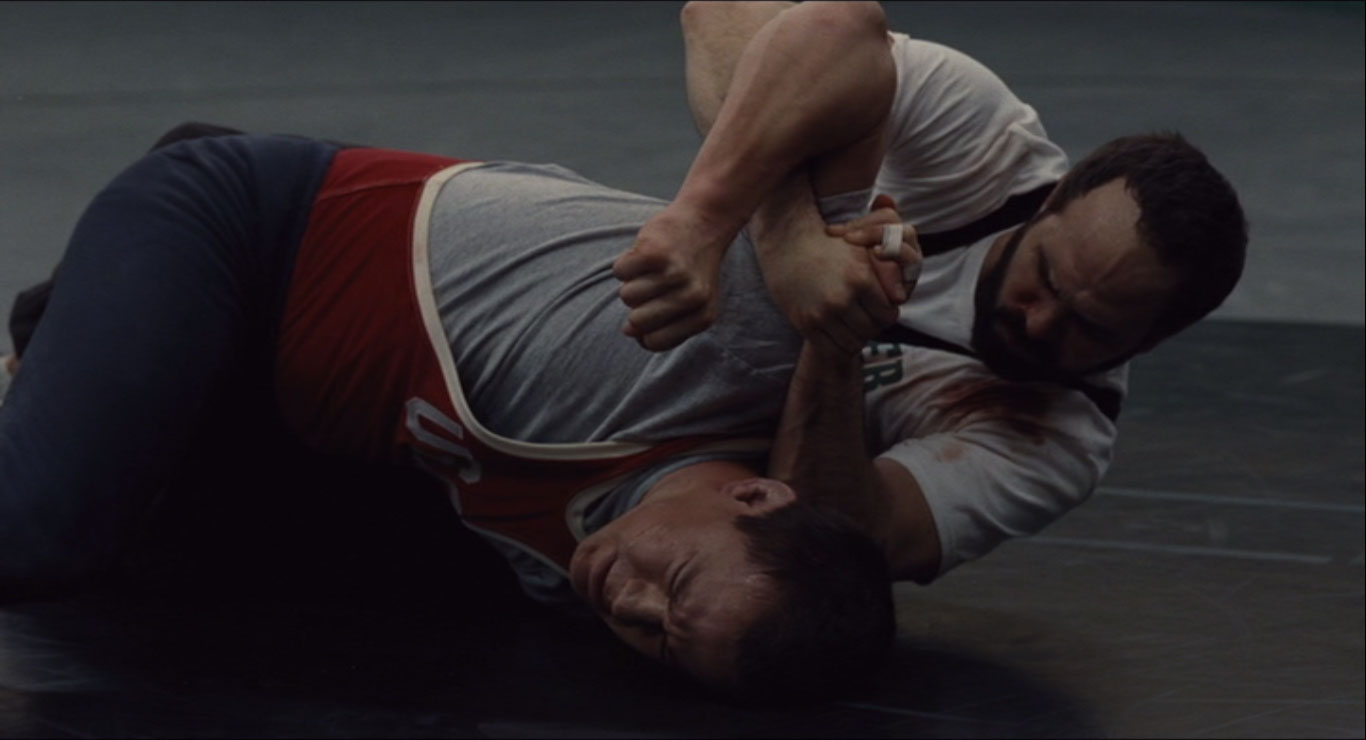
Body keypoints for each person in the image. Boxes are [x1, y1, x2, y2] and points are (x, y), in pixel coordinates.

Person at [0, 124, 900, 702]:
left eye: (656, 638)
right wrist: (803, 262)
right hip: (239, 227)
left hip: (278, 389)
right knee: (39, 533)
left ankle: (73, 346)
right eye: (676, 583)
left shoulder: (565, 578)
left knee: (155, 562)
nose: (627, 601)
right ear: (755, 496)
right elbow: (825, 46)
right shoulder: (716, 345)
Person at [614, 1, 1248, 582]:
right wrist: (786, 240)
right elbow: (727, 16)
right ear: (1050, 201)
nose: (1038, 322)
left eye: (1091, 327)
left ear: (1154, 340)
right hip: (621, 316)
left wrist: (835, 345)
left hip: (657, 464)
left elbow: (829, 550)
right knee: (845, 28)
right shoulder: (985, 145)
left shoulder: (1056, 443)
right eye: (1046, 277)